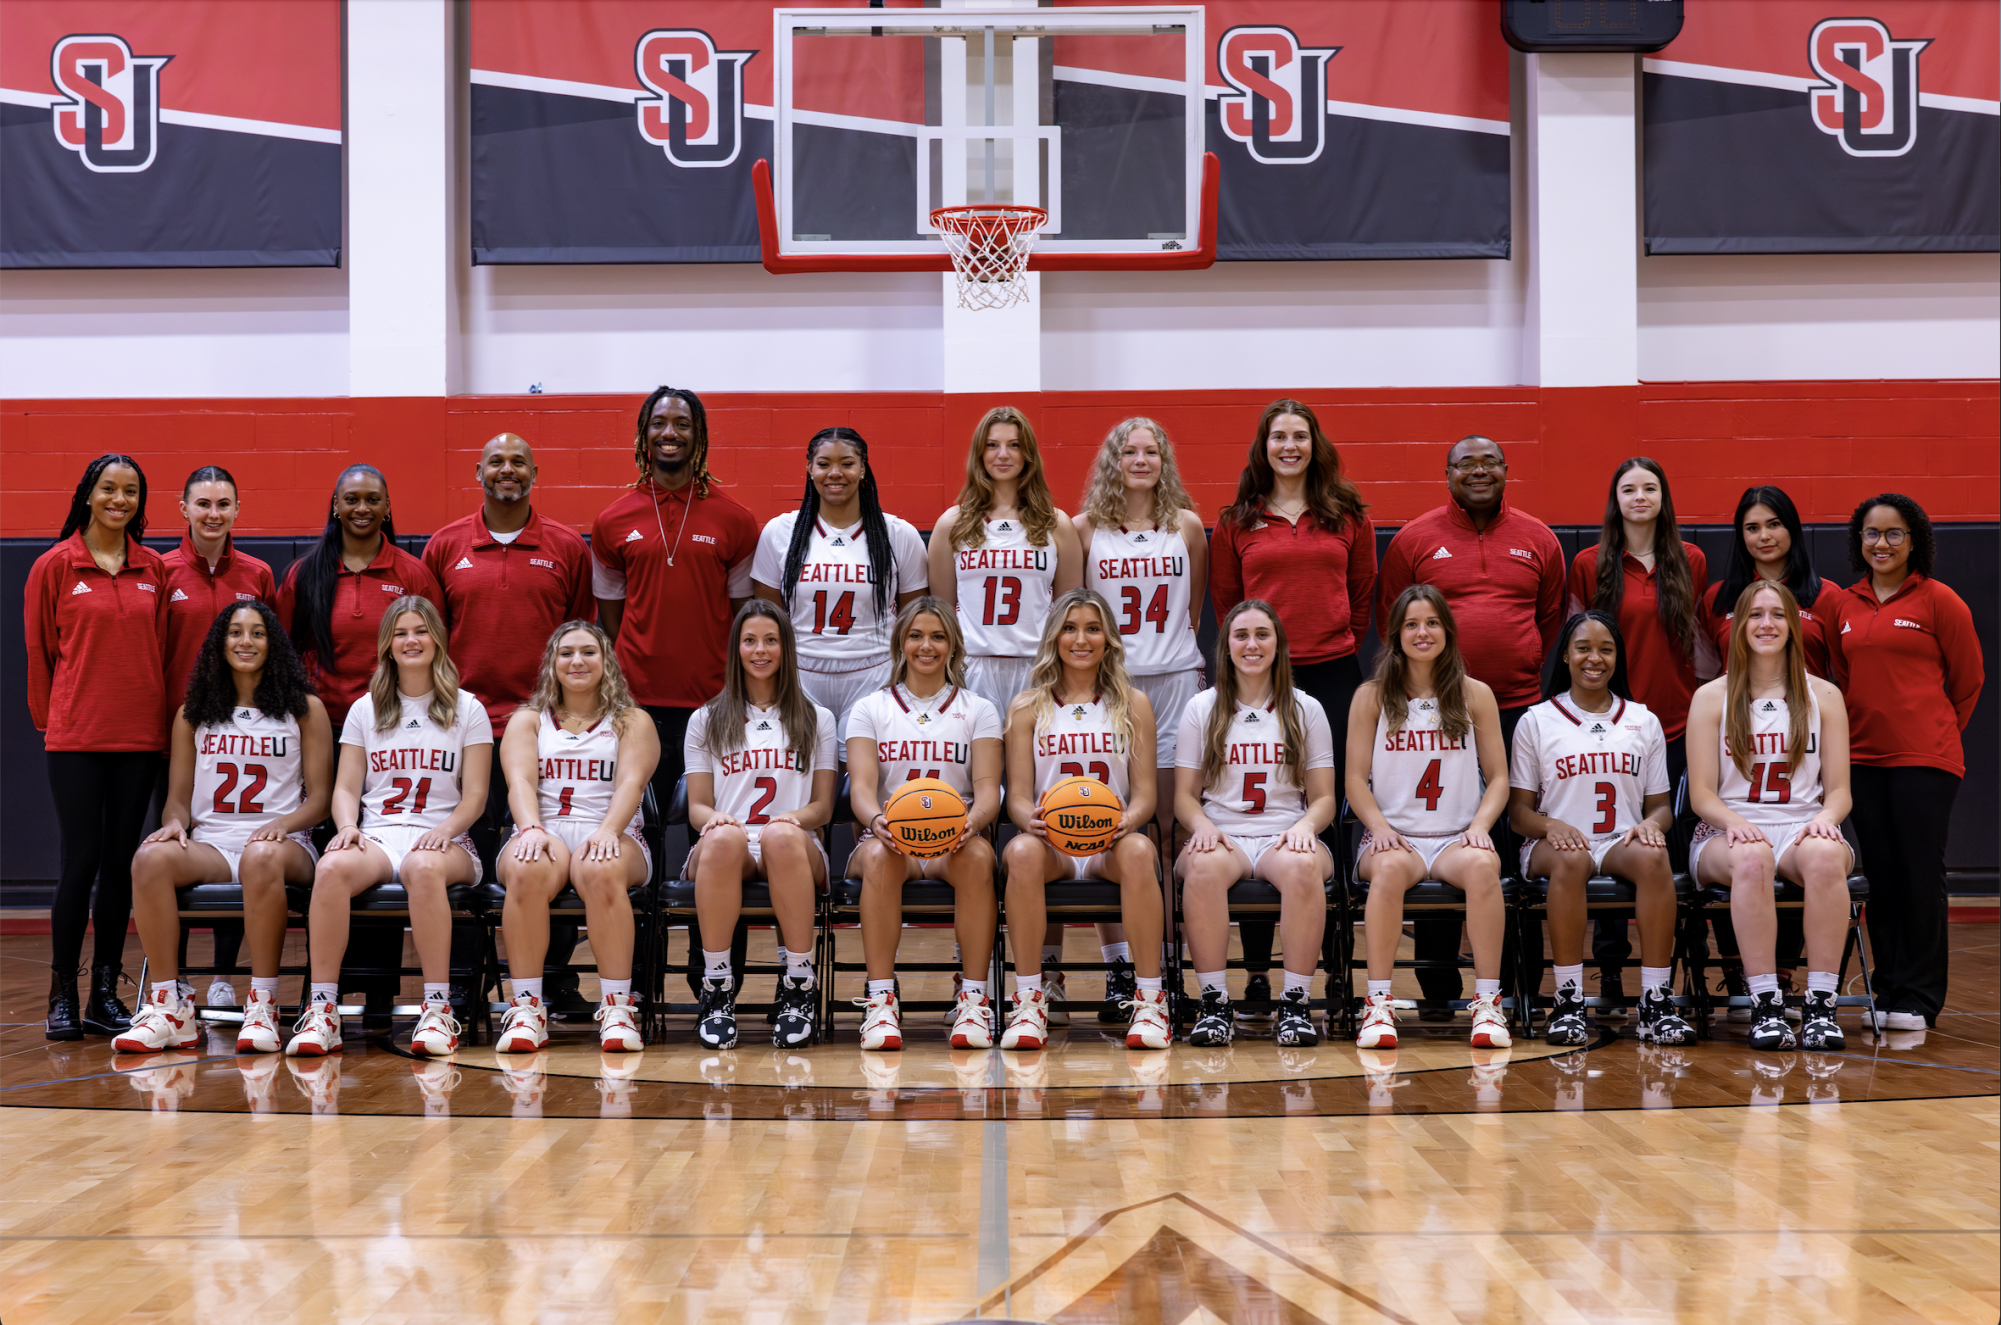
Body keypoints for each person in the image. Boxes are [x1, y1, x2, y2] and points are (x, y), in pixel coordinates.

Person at [1375, 435, 1565, 1017]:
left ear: (1507, 471)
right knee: (1435, 825)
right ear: (1448, 473)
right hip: (1432, 708)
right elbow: (1394, 612)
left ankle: (1517, 983)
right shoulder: (1415, 538)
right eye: (1466, 464)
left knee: (1503, 843)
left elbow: (1551, 617)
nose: (1479, 472)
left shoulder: (1539, 539)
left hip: (1514, 708)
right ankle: (1437, 986)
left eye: (1490, 463)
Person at [1209, 399, 1375, 1018]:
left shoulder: (1346, 514)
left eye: (1299, 436)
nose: (1289, 446)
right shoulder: (1236, 520)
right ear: (1263, 446)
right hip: (1258, 673)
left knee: (1320, 818)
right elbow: (1229, 605)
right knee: (1254, 807)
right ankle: (1256, 970)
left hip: (1331, 673)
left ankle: (1330, 965)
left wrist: (1330, 644)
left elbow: (1361, 600)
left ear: (1314, 444)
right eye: (1278, 436)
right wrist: (1258, 654)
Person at [424, 432, 596, 1009]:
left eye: (518, 461)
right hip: (465, 726)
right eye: (495, 461)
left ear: (534, 471)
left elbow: (583, 643)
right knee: (468, 851)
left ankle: (551, 978)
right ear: (478, 471)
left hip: (547, 729)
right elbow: (427, 640)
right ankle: (463, 982)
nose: (507, 470)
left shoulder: (567, 546)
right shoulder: (446, 546)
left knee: (550, 845)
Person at [926, 406, 1088, 1017]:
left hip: (1034, 673)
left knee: (1039, 816)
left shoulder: (1057, 526)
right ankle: (967, 974)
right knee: (965, 817)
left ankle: (1042, 968)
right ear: (978, 452)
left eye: (1013, 445)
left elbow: (1070, 607)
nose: (1002, 454)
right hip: (973, 673)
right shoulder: (952, 524)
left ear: (1028, 454)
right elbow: (942, 617)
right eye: (991, 444)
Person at [118, 603, 333, 1053]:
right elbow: (178, 798)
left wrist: (282, 825)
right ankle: (170, 1006)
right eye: (235, 632)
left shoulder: (304, 709)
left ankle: (263, 1005)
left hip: (284, 845)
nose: (245, 642)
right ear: (220, 643)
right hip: (214, 845)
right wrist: (175, 826)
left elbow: (321, 800)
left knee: (260, 856)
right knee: (149, 859)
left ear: (273, 644)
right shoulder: (192, 713)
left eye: (257, 633)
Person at [285, 597, 493, 1058]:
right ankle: (323, 1010)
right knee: (332, 868)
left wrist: (446, 828)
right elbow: (345, 789)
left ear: (436, 639)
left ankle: (438, 1010)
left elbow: (476, 795)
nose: (411, 640)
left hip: (446, 837)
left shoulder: (468, 708)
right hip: (379, 833)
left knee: (422, 866)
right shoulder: (365, 708)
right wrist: (346, 826)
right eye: (400, 633)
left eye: (420, 630)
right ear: (387, 645)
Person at [1826, 494, 1984, 1032]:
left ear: (1913, 540)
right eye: (1872, 534)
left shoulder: (1941, 601)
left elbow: (1968, 682)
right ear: (1859, 541)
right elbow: (1841, 685)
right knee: (1883, 877)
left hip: (1925, 762)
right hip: (1863, 761)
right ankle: (1887, 988)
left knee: (1920, 876)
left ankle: (1918, 997)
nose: (1883, 544)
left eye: (1894, 534)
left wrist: (1932, 736)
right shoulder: (1844, 605)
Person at [26, 455, 171, 1039]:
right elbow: (40, 653)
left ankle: (104, 995)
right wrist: (52, 722)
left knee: (119, 865)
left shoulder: (154, 567)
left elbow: (159, 650)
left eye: (130, 490)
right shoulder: (55, 565)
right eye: (108, 488)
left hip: (139, 736)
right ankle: (62, 993)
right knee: (79, 861)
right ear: (88, 494)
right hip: (77, 737)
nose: (119, 499)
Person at [999, 587, 1170, 1052]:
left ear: (1108, 638)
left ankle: (1150, 1000)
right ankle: (1031, 998)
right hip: (1052, 842)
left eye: (1092, 628)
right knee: (1019, 851)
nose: (1081, 639)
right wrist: (1027, 819)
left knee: (1140, 850)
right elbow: (1015, 796)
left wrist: (1126, 820)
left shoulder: (1133, 703)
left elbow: (1147, 796)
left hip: (1108, 843)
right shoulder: (1025, 706)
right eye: (1070, 628)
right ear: (1054, 637)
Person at [1074, 417, 1207, 1017]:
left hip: (1177, 676)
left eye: (1151, 450)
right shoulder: (1083, 531)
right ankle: (1120, 967)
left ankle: (1169, 964)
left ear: (1165, 459)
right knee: (1103, 818)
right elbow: (1076, 614)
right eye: (1128, 451)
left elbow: (1193, 608)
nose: (1140, 460)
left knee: (1176, 825)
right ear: (1112, 461)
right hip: (1115, 681)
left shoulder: (1187, 526)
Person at [1689, 581, 1858, 1051]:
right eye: (1756, 615)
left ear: (1795, 624)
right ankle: (1766, 1003)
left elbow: (1840, 791)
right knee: (1752, 857)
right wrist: (1733, 823)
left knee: (1825, 857)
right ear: (1739, 625)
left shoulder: (1823, 695)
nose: (1767, 624)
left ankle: (1821, 1006)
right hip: (1727, 828)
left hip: (1801, 824)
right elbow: (1701, 793)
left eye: (1778, 615)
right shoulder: (1711, 697)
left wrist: (1827, 818)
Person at [1564, 458, 1709, 1006]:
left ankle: (1669, 977)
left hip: (1671, 724)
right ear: (1615, 498)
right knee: (1603, 840)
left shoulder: (1689, 560)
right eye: (1629, 488)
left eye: (1650, 488)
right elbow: (1580, 642)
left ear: (1663, 497)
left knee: (1659, 850)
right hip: (1606, 727)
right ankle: (1607, 970)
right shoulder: (1589, 562)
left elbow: (1698, 647)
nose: (1640, 496)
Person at [1508, 611, 1685, 1048]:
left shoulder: (1643, 720)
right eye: (1583, 648)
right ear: (1565, 656)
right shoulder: (1536, 720)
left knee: (1655, 856)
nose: (1595, 658)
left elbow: (1661, 807)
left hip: (1617, 841)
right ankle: (1568, 999)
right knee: (1572, 858)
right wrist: (1552, 826)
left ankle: (1656, 1000)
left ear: (1618, 657)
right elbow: (1518, 814)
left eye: (1606, 649)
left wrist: (1649, 826)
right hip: (1552, 845)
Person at [1346, 585, 1511, 1050]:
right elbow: (1355, 779)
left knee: (1483, 867)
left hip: (1456, 836)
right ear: (1396, 634)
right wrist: (1378, 829)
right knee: (1391, 870)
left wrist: (1479, 828)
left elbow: (1498, 777)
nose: (1423, 632)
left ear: (1448, 631)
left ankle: (1487, 1003)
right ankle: (1378, 1004)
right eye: (1412, 624)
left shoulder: (1475, 695)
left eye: (1433, 623)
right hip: (1396, 837)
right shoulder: (1372, 696)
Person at [1173, 600, 1336, 1048]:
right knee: (1202, 869)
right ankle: (1213, 1004)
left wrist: (1306, 827)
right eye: (1240, 635)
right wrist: (1201, 825)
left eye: (1262, 634)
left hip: (1283, 833)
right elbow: (1184, 797)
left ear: (1279, 645)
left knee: (1304, 867)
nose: (1251, 644)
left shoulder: (1306, 709)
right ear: (1225, 648)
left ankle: (1296, 1005)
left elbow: (1324, 798)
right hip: (1223, 833)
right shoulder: (1201, 708)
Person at [592, 387, 760, 822]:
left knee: (709, 817)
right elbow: (610, 615)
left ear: (699, 436)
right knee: (638, 816)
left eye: (682, 424)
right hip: (635, 696)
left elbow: (744, 614)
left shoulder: (735, 519)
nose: (670, 433)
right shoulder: (612, 521)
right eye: (659, 423)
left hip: (713, 697)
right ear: (643, 436)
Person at [844, 597, 1004, 1051]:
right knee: (877, 856)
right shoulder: (870, 708)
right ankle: (880, 1002)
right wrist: (876, 821)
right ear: (901, 643)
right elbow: (861, 789)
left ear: (953, 646)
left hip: (955, 841)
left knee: (978, 857)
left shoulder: (979, 709)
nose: (926, 646)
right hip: (892, 840)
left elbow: (989, 791)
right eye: (916, 636)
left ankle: (973, 999)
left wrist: (972, 823)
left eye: (937, 636)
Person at [492, 621, 659, 1055]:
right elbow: (520, 783)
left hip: (612, 830)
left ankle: (618, 1007)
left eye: (588, 652)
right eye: (566, 653)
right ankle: (527, 1008)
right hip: (543, 830)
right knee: (525, 868)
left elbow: (631, 785)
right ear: (551, 663)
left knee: (601, 868)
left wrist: (607, 830)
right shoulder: (528, 720)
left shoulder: (631, 720)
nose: (577, 661)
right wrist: (530, 828)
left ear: (607, 662)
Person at [684, 601, 838, 1052]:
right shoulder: (706, 718)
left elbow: (823, 806)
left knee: (781, 835)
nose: (760, 650)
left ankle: (798, 985)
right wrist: (714, 820)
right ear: (736, 649)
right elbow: (697, 806)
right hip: (731, 846)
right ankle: (716, 989)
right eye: (750, 640)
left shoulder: (816, 717)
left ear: (787, 648)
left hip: (793, 845)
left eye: (771, 640)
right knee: (722, 839)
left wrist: (793, 819)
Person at [159, 464, 281, 1010]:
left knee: (244, 841)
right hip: (180, 733)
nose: (213, 513)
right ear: (183, 508)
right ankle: (176, 979)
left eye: (223, 503)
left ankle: (229, 975)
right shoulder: (160, 572)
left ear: (238, 509)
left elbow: (270, 648)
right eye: (202, 503)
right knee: (177, 843)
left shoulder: (256, 574)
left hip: (246, 733)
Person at [752, 427, 928, 744]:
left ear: (863, 468)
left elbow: (914, 619)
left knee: (859, 779)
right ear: (809, 469)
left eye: (847, 463)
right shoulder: (780, 532)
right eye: (824, 464)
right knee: (803, 779)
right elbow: (769, 619)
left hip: (873, 673)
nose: (835, 473)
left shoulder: (898, 534)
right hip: (801, 675)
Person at [277, 464, 443, 730]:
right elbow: (281, 651)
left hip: (392, 723)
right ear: (336, 505)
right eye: (352, 500)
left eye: (373, 500)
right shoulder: (302, 574)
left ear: (387, 507)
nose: (362, 509)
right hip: (318, 724)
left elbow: (436, 654)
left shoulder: (414, 575)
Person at [1704, 485, 1836, 678]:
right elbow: (1706, 675)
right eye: (1752, 528)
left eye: (1774, 524)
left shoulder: (1829, 596)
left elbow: (1841, 674)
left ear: (1791, 527)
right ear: (1742, 536)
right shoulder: (1716, 597)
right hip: (1736, 707)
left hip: (1809, 706)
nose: (1764, 536)